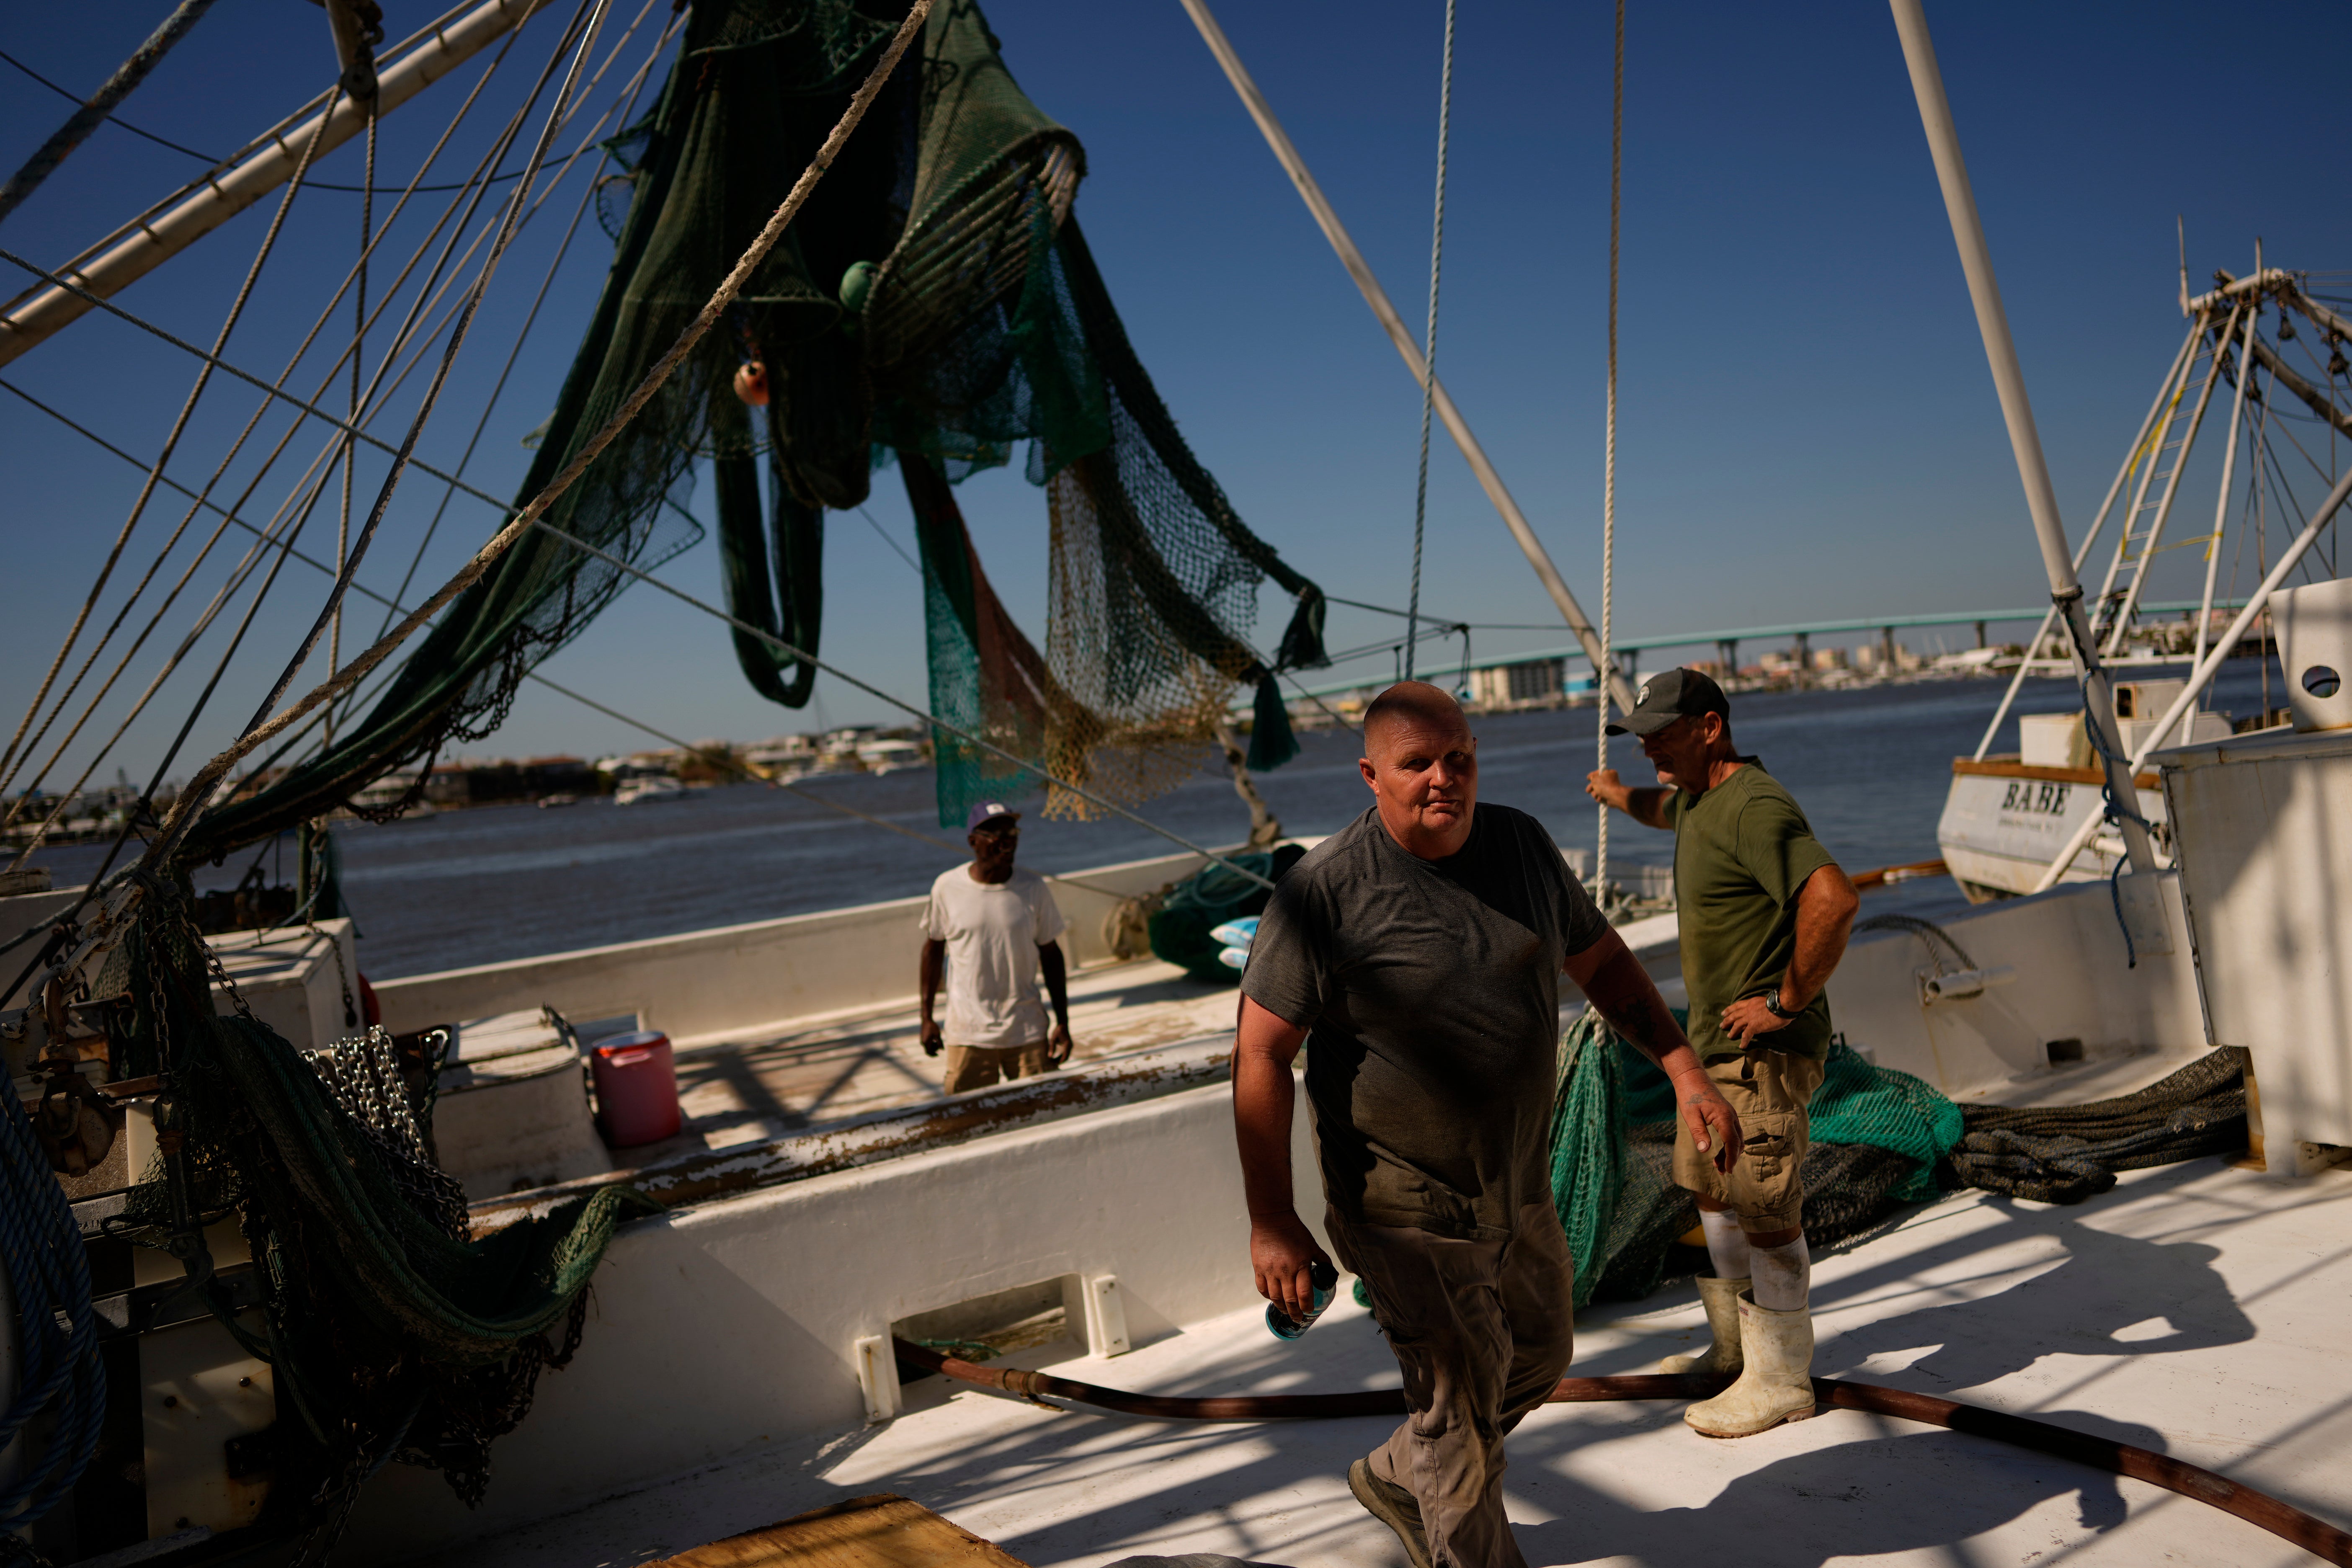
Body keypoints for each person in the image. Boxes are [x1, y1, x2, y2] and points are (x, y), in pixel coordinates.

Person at [1235, 682, 1742, 1568]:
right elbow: (1260, 1054)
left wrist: (1685, 1069)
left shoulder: (1521, 845)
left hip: (1516, 1183)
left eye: (1459, 757)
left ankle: (1405, 1470)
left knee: (1539, 1353)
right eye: (1417, 763)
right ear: (1371, 776)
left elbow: (1602, 962)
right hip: (1401, 1204)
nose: (1444, 777)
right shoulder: (1322, 893)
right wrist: (1274, 1218)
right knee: (1460, 1409)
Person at [1585, 667, 1859, 1439]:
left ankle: (1782, 1378)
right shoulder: (1698, 798)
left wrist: (1784, 1004)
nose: (1648, 749)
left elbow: (1834, 899)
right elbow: (1666, 810)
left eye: (1661, 734)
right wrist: (1617, 796)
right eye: (1640, 738)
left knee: (1765, 1206)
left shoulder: (1753, 804)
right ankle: (1737, 1350)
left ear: (1711, 727)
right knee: (1714, 1190)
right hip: (1709, 1053)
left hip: (1757, 1053)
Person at [918, 801, 1074, 1093]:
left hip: (1026, 1030)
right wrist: (927, 1018)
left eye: (1011, 833)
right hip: (968, 1034)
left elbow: (1051, 955)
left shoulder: (1034, 888)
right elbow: (933, 950)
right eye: (996, 834)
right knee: (967, 1116)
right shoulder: (947, 887)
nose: (1007, 841)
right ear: (973, 842)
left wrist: (1063, 1022)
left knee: (1040, 1111)